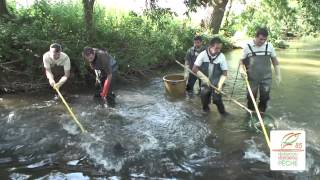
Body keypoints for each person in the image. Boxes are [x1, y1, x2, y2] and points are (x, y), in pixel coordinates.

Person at [239, 27, 281, 114]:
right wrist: (242, 71)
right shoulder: (248, 47)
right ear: (256, 37)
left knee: (265, 98)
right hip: (252, 78)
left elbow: (275, 61)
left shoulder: (269, 46)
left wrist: (278, 74)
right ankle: (251, 113)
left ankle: (261, 114)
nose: (262, 41)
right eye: (261, 39)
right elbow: (241, 62)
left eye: (264, 40)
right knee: (251, 98)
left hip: (266, 78)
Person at [192, 37, 228, 115]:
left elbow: (225, 73)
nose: (218, 50)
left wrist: (220, 85)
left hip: (217, 82)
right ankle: (206, 112)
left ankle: (223, 113)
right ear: (210, 46)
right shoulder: (203, 54)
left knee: (217, 99)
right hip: (205, 82)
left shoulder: (222, 56)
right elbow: (194, 69)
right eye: (216, 48)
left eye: (220, 48)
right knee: (204, 95)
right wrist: (204, 78)